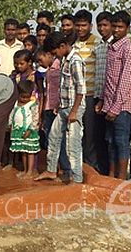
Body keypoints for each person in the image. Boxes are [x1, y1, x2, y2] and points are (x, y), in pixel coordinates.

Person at [36, 31, 86, 183]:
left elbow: (81, 89)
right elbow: (64, 86)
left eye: (55, 52)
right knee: (53, 137)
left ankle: (77, 178)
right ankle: (51, 170)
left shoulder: (75, 61)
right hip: (64, 106)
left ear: (62, 46)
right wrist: (59, 104)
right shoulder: (64, 60)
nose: (54, 55)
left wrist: (74, 111)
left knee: (73, 144)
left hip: (73, 108)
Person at [95, 11, 131, 179]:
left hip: (121, 105)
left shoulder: (129, 50)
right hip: (109, 102)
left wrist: (115, 107)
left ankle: (121, 177)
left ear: (127, 28)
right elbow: (108, 79)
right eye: (114, 26)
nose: (116, 30)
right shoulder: (111, 48)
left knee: (121, 141)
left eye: (120, 27)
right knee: (110, 140)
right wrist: (102, 100)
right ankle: (112, 175)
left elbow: (125, 83)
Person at [72, 10, 101, 173]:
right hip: (75, 97)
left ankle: (91, 167)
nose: (80, 28)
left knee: (90, 134)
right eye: (78, 25)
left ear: (90, 26)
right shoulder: (73, 44)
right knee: (77, 133)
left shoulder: (97, 44)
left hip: (90, 95)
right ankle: (78, 166)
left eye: (84, 25)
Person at [35, 48, 71, 178]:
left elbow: (62, 88)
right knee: (51, 140)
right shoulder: (50, 69)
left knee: (59, 140)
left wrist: (59, 105)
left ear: (48, 54)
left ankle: (66, 169)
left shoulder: (58, 68)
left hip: (57, 108)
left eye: (41, 60)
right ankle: (53, 169)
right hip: (48, 107)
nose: (40, 63)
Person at [92, 11, 113, 175]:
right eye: (99, 25)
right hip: (97, 96)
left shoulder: (115, 46)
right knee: (97, 135)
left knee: (112, 138)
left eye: (105, 25)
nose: (102, 28)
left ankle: (109, 172)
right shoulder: (99, 47)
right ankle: (99, 169)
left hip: (111, 98)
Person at [9, 80, 40, 179]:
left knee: (29, 152)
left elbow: (35, 118)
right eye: (23, 97)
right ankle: (25, 169)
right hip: (18, 131)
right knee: (23, 151)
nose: (25, 99)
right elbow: (12, 115)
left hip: (28, 131)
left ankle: (30, 171)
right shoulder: (15, 104)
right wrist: (10, 125)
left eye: (27, 97)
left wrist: (30, 130)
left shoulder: (32, 104)